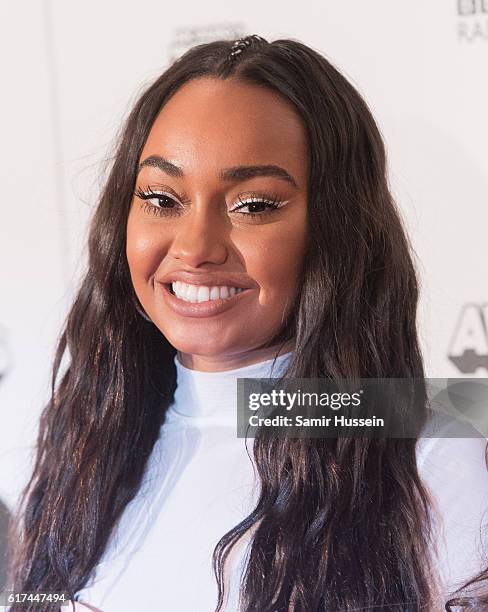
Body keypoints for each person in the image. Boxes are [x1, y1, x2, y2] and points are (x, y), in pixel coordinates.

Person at [6, 35, 488, 611]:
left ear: (337, 229)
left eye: (254, 205)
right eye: (161, 198)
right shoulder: (82, 443)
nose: (196, 247)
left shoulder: (429, 445)